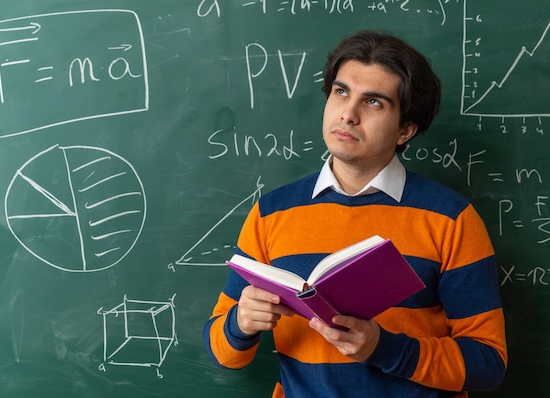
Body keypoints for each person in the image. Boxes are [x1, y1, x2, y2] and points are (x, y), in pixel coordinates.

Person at [204, 30, 507, 397]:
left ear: (405, 130)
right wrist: (240, 323)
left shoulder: (450, 218)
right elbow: (223, 354)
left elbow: (488, 364)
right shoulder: (272, 212)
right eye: (341, 91)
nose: (348, 114)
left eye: (374, 102)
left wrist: (386, 350)